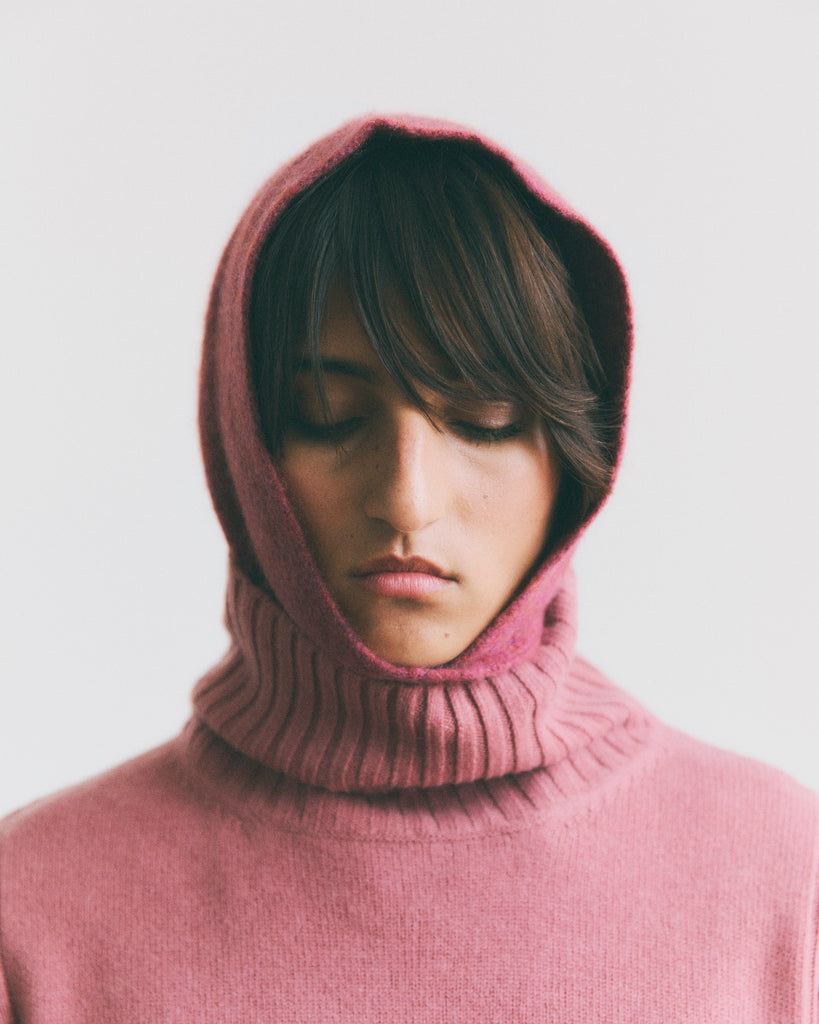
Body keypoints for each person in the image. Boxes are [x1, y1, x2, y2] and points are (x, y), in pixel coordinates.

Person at [1, 114, 816, 1022]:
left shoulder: (784, 879)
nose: (406, 499)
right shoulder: (30, 909)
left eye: (484, 422)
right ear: (244, 441)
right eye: (328, 414)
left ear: (577, 461)